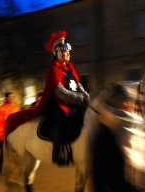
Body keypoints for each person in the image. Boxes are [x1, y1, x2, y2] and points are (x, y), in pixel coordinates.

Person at [37, 30, 90, 165]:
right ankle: (56, 153)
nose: (68, 54)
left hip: (74, 101)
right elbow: (59, 91)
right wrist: (79, 98)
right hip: (59, 103)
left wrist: (85, 94)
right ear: (58, 53)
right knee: (62, 120)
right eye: (65, 51)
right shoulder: (53, 69)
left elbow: (78, 84)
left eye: (68, 52)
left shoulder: (70, 68)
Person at [0, 92, 20, 174]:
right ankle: (0, 168)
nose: (12, 98)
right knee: (4, 152)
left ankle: (12, 168)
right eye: (10, 97)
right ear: (6, 98)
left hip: (14, 134)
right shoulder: (1, 109)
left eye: (13, 97)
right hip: (3, 135)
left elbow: (19, 120)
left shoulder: (16, 108)